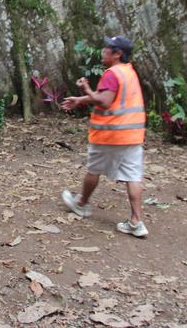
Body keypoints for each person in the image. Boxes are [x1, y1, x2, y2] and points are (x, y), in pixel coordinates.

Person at [60, 35, 149, 238]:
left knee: (94, 170)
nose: (104, 50)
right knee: (133, 176)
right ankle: (136, 221)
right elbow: (113, 98)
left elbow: (105, 101)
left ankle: (81, 203)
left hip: (111, 134)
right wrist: (81, 100)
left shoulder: (111, 73)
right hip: (132, 135)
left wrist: (86, 89)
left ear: (118, 54)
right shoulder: (129, 72)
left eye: (108, 47)